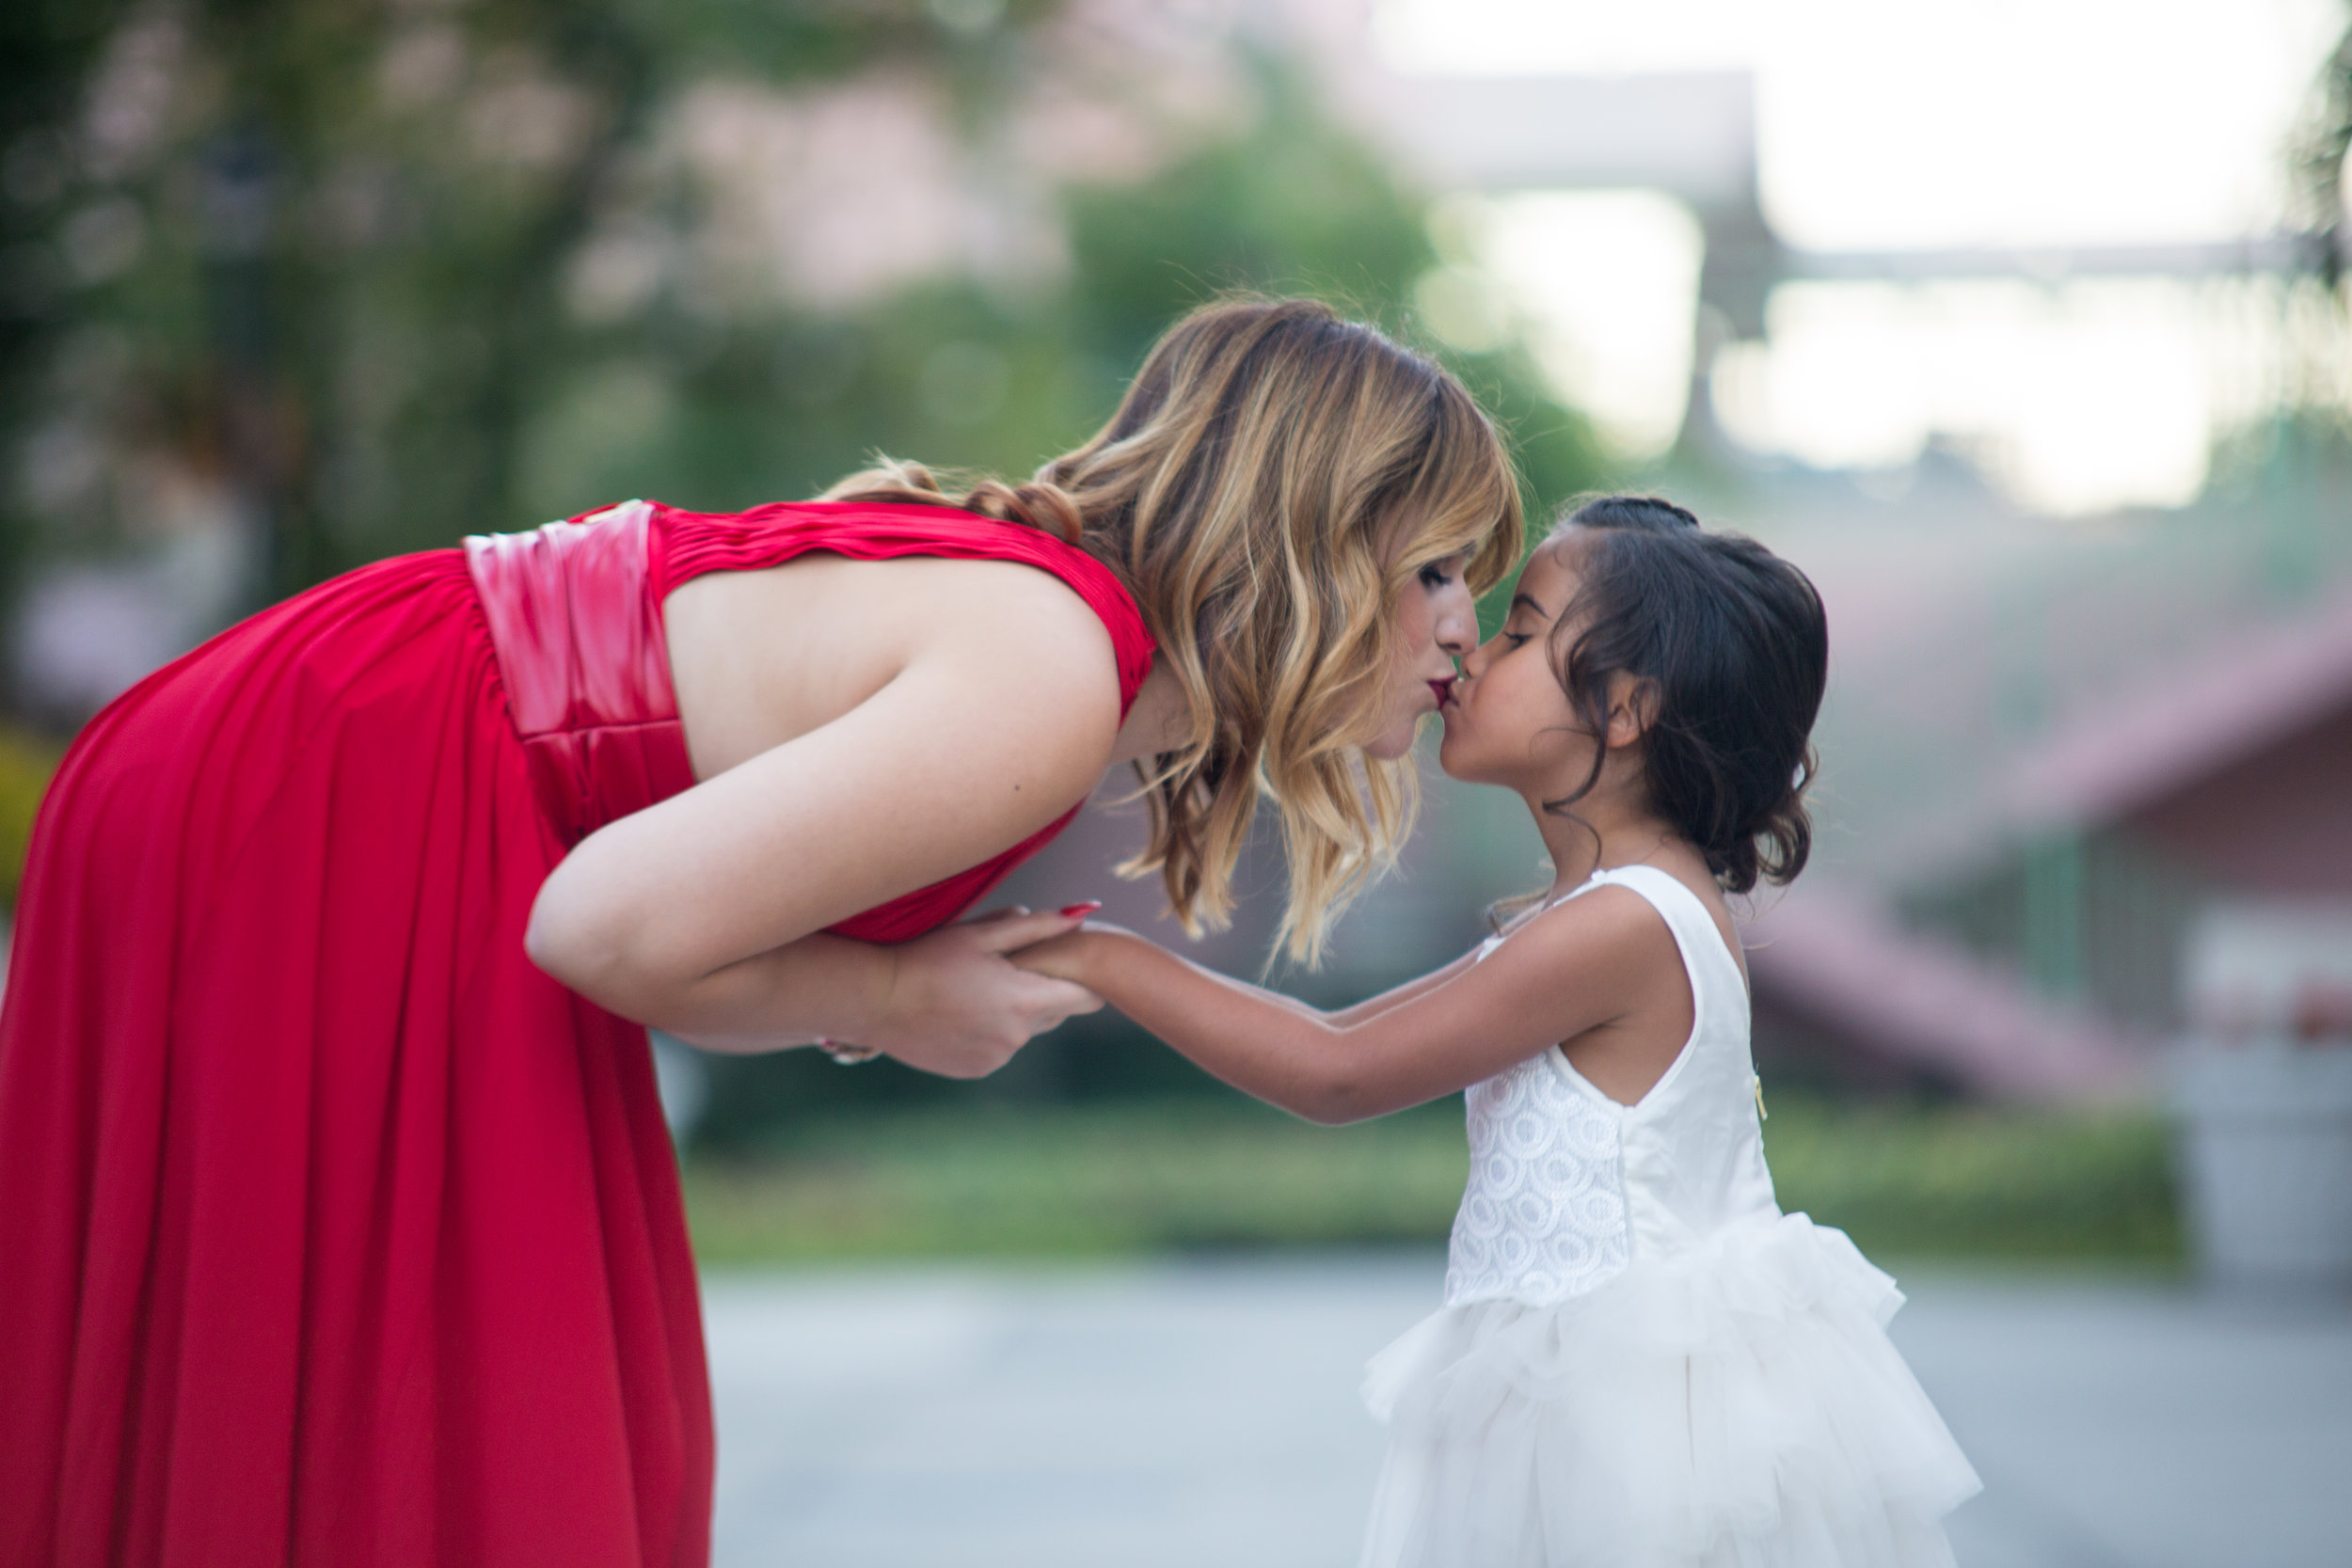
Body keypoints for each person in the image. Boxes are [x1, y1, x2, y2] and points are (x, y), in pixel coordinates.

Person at [0, 296, 1523, 1568]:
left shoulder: (1065, 650)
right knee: (406, 1438)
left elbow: (680, 956)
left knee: (423, 1437)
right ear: (1316, 538)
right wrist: (894, 991)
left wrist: (878, 993)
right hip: (336, 784)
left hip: (371, 777)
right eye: (1438, 566)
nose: (1465, 622)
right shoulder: (1051, 671)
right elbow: (602, 924)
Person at [1011, 495, 1982, 1566]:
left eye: (1520, 629)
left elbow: (1334, 1074)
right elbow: (1332, 1033)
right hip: (1587, 1401)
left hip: (1629, 1430)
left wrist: (1096, 957)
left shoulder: (1624, 921)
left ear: (1624, 709)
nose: (1471, 645)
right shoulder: (1600, 909)